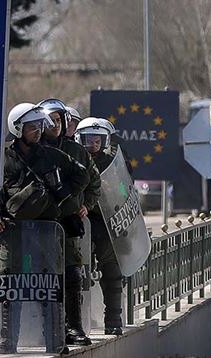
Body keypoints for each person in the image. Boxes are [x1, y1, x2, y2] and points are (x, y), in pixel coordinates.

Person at [0, 103, 89, 354]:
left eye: (39, 125)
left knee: (49, 284)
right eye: (31, 126)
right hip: (11, 233)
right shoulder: (1, 159)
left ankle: (55, 338)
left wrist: (60, 195)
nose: (38, 131)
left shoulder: (50, 154)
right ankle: (6, 340)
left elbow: (82, 175)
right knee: (8, 285)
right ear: (17, 129)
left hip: (46, 232)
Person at [38, 98, 100, 346]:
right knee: (43, 277)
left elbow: (93, 182)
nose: (55, 125)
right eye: (50, 120)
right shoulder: (33, 150)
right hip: (39, 223)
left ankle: (73, 327)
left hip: (68, 223)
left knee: (72, 275)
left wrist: (87, 204)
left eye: (59, 120)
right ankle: (48, 329)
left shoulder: (77, 151)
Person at [74, 117, 125, 335]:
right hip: (82, 220)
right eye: (88, 140)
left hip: (107, 222)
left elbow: (124, 187)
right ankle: (76, 323)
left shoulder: (113, 161)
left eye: (98, 140)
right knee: (76, 274)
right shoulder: (73, 159)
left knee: (113, 273)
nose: (93, 145)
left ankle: (113, 319)